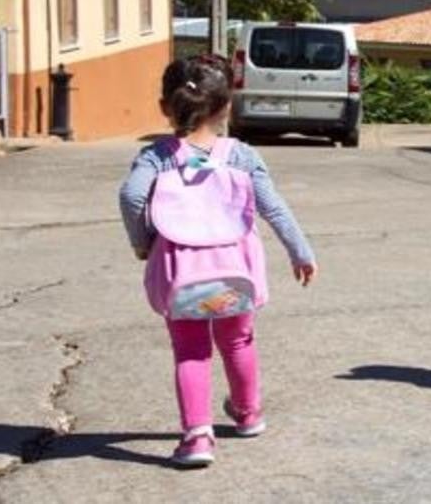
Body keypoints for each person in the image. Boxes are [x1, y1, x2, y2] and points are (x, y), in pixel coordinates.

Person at [118, 55, 316, 467]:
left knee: (191, 350)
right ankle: (247, 413)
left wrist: (144, 241)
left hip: (182, 275)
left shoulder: (158, 157)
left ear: (164, 107)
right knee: (238, 339)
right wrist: (300, 252)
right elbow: (274, 208)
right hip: (234, 273)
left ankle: (197, 437)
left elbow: (132, 196)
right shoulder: (240, 155)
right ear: (227, 105)